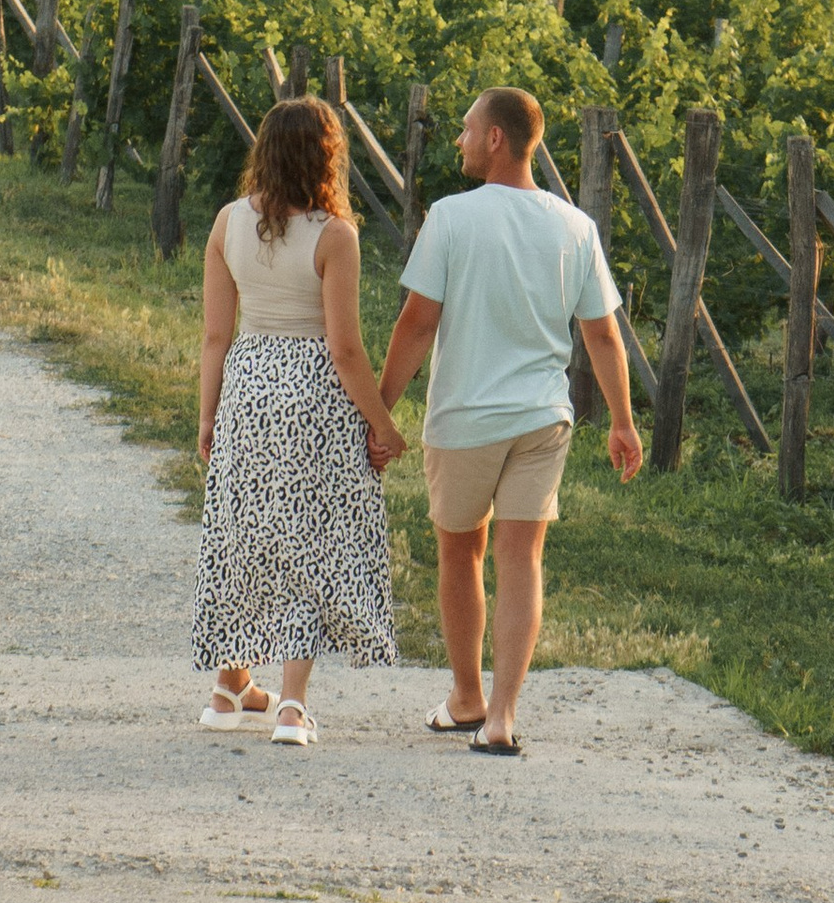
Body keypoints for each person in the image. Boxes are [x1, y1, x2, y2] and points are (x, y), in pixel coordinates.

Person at [378, 83, 642, 755]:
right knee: (522, 557)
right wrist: (622, 420)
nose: (460, 141)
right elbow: (603, 336)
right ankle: (502, 717)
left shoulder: (450, 218)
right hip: (542, 419)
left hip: (465, 417)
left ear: (496, 139)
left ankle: (465, 697)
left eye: (467, 130)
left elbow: (417, 323)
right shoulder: (574, 226)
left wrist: (378, 408)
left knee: (461, 552)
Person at [190, 95, 403, 748]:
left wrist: (208, 418)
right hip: (313, 397)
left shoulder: (228, 223)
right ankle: (291, 705)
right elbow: (344, 348)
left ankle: (230, 688)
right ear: (327, 157)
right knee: (308, 543)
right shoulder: (334, 236)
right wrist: (382, 424)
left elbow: (214, 336)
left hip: (247, 390)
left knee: (244, 534)